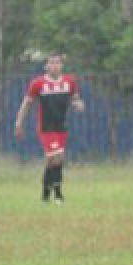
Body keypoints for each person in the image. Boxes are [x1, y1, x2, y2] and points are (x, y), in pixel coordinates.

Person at [14, 53, 84, 203]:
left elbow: (75, 98)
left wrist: (79, 105)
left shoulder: (69, 82)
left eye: (57, 63)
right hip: (46, 127)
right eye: (51, 63)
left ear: (62, 65)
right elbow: (27, 103)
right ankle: (58, 195)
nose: (54, 65)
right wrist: (19, 123)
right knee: (56, 157)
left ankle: (45, 196)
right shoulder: (38, 84)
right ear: (46, 66)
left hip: (61, 126)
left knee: (55, 161)